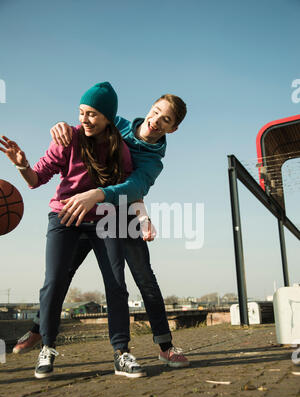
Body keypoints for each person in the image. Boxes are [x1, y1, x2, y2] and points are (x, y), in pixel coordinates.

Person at [11, 92, 190, 370]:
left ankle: (164, 346)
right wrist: (59, 125)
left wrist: (138, 216)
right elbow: (87, 120)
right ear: (150, 108)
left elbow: (134, 188)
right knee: (61, 274)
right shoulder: (120, 124)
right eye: (155, 111)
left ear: (172, 128)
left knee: (143, 280)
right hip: (82, 207)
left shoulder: (153, 161)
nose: (156, 121)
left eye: (165, 119)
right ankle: (40, 332)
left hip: (119, 212)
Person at [0, 81, 151, 379]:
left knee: (116, 284)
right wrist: (22, 164)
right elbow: (35, 180)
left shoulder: (119, 148)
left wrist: (142, 219)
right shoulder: (67, 138)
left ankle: (121, 353)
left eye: (92, 114)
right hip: (65, 216)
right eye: (81, 112)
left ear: (108, 117)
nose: (84, 119)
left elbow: (130, 189)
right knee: (54, 281)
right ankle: (48, 347)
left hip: (106, 217)